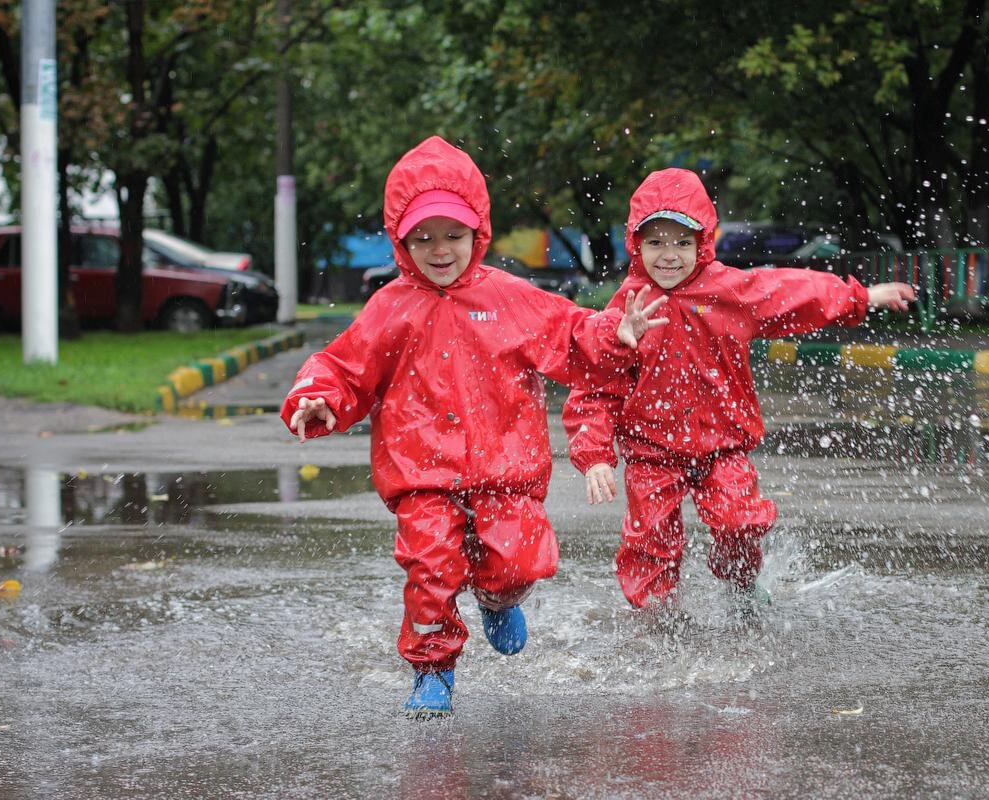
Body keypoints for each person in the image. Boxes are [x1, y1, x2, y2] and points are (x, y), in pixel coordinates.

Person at [281, 136, 666, 720]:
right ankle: (432, 670)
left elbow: (568, 332)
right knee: (430, 569)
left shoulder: (508, 297)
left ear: (478, 232)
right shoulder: (389, 307)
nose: (440, 250)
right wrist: (319, 398)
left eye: (453, 235)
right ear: (401, 240)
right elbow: (345, 365)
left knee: (517, 562)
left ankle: (497, 596)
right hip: (422, 476)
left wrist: (615, 333)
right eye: (423, 237)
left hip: (505, 469)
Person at [563, 168, 915, 616]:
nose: (669, 255)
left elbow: (790, 292)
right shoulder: (628, 307)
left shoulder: (729, 290)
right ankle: (656, 617)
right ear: (635, 244)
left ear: (702, 243)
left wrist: (860, 297)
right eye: (655, 242)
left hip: (722, 446)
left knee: (742, 522)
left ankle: (740, 582)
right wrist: (594, 454)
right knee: (650, 539)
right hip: (651, 452)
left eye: (682, 242)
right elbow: (596, 383)